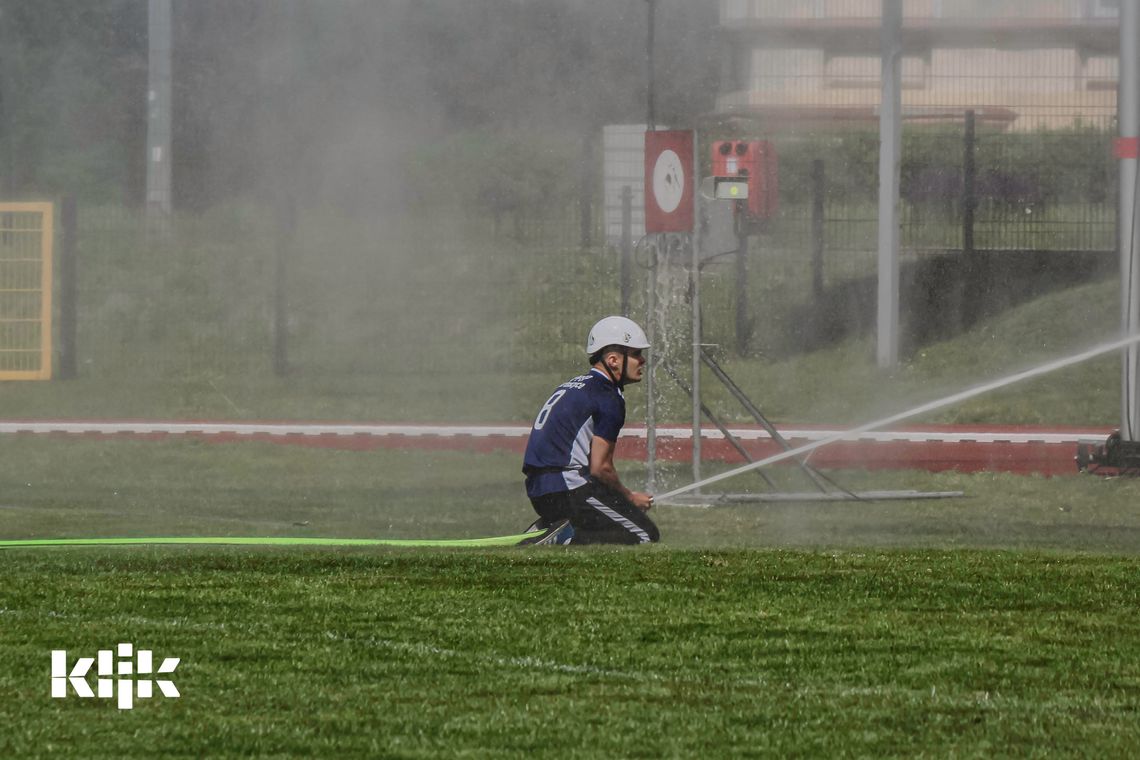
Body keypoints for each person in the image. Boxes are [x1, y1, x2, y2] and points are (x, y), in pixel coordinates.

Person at [520, 316, 660, 545]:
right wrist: (630, 497)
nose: (642, 360)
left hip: (539, 490)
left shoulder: (574, 385)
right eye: (635, 354)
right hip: (569, 489)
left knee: (622, 521)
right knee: (645, 535)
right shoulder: (608, 396)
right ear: (613, 360)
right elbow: (600, 468)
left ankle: (548, 527)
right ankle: (562, 537)